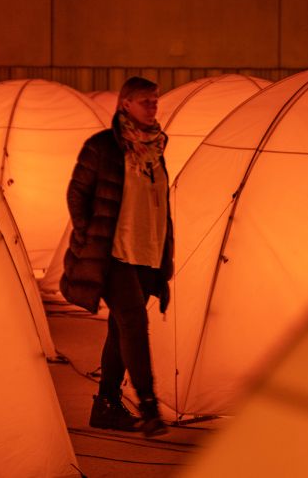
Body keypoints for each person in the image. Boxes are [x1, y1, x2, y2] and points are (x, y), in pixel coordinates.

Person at [60, 76, 174, 437]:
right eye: (145, 101)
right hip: (113, 254)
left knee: (120, 328)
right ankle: (148, 404)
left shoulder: (155, 150)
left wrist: (163, 256)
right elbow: (76, 194)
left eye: (155, 101)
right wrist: (89, 235)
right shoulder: (103, 147)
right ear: (125, 104)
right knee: (134, 324)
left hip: (145, 253)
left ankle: (106, 404)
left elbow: (159, 207)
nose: (153, 107)